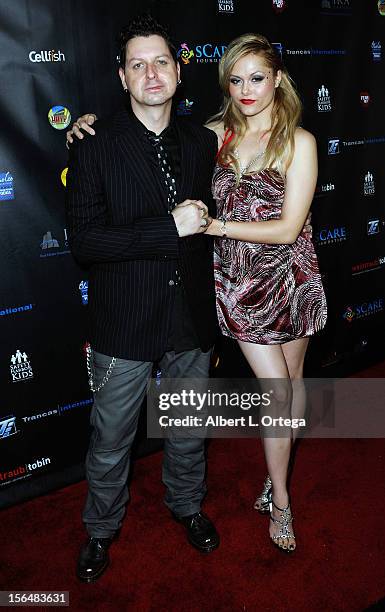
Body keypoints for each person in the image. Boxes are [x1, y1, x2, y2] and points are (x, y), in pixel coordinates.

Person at [65, 15, 220, 583]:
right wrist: (167, 228)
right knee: (111, 441)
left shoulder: (203, 142)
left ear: (178, 71)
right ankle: (100, 531)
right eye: (138, 64)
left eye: (160, 62)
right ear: (122, 77)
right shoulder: (93, 143)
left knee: (188, 427)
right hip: (125, 320)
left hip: (189, 319)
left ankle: (188, 505)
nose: (151, 73)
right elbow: (84, 243)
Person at [204, 33, 327, 552]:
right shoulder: (215, 136)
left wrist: (215, 226)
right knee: (277, 392)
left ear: (277, 78)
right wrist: (86, 126)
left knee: (292, 385)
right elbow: (147, 137)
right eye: (236, 79)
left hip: (292, 279)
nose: (246, 89)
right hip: (239, 285)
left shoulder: (299, 141)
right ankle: (281, 500)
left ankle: (273, 475)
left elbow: (287, 227)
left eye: (257, 77)